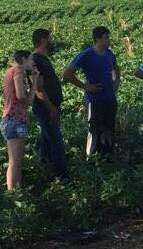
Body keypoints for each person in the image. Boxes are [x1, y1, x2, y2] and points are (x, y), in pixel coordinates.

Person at [63, 26, 121, 156]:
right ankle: (92, 157)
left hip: (109, 98)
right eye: (107, 37)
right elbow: (67, 74)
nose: (109, 40)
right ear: (97, 39)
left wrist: (116, 83)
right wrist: (86, 87)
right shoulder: (86, 55)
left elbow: (116, 69)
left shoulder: (109, 54)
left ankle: (107, 156)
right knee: (94, 129)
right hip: (94, 100)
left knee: (109, 128)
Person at [32, 29, 68, 179]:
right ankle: (63, 178)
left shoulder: (43, 59)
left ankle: (44, 173)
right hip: (45, 108)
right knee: (56, 142)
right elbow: (38, 89)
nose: (53, 41)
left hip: (50, 107)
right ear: (43, 40)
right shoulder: (36, 60)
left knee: (47, 142)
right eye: (50, 38)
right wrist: (51, 107)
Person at [1, 50, 39, 189]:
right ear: (23, 59)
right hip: (14, 120)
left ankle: (18, 192)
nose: (33, 62)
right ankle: (13, 196)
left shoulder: (12, 71)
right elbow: (22, 97)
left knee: (17, 160)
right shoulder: (17, 70)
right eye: (30, 59)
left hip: (14, 120)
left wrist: (32, 82)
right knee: (15, 161)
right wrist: (34, 82)